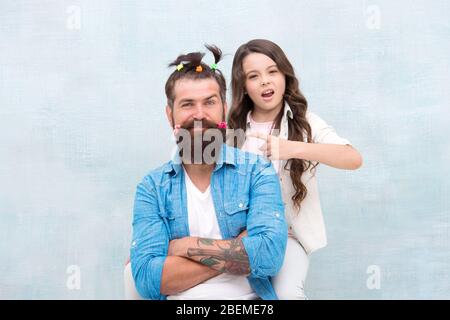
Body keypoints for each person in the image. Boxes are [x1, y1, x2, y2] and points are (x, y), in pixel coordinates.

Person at [124, 44, 288, 300]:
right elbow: (147, 279)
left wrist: (184, 247)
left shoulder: (258, 172)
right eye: (188, 104)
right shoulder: (152, 187)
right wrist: (239, 248)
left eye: (209, 102)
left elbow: (268, 256)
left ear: (224, 107)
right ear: (171, 116)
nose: (199, 115)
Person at [228, 39, 363, 299]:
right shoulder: (232, 130)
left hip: (288, 237)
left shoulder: (306, 122)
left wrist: (292, 148)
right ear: (244, 87)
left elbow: (352, 158)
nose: (265, 81)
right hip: (240, 237)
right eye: (254, 76)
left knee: (287, 293)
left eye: (272, 71)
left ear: (284, 76)